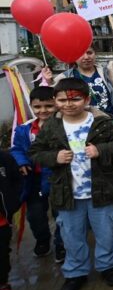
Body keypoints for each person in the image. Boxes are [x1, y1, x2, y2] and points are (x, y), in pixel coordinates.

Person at [29, 78, 113, 290]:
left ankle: (109, 266)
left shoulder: (100, 122)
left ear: (86, 99)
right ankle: (75, 272)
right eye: (63, 99)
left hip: (101, 192)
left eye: (75, 99)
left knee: (106, 233)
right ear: (55, 100)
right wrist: (53, 157)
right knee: (71, 235)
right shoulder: (51, 127)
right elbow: (35, 152)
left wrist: (101, 149)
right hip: (67, 194)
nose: (69, 104)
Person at [48, 38, 113, 222]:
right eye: (81, 53)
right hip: (80, 132)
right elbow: (53, 100)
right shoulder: (65, 77)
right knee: (86, 171)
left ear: (95, 54)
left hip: (110, 129)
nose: (86, 57)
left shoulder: (109, 69)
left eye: (90, 52)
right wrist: (47, 80)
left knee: (111, 171)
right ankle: (90, 210)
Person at [10, 86, 65, 261]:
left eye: (48, 106)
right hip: (34, 181)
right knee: (35, 215)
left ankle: (62, 245)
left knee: (62, 215)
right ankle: (42, 240)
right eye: (37, 107)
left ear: (56, 104)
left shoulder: (64, 125)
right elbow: (17, 149)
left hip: (58, 178)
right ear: (31, 106)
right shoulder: (24, 129)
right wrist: (22, 162)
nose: (43, 111)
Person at [0, 147, 22, 290]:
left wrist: (11, 204)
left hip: (1, 220)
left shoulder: (4, 158)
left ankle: (2, 285)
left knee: (1, 255)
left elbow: (17, 180)